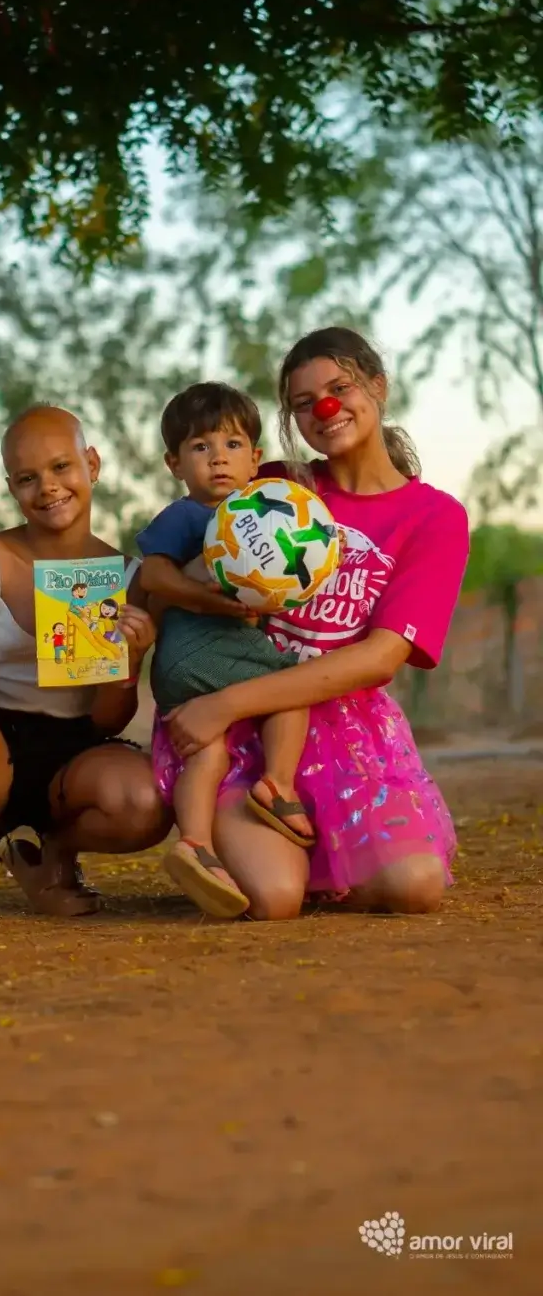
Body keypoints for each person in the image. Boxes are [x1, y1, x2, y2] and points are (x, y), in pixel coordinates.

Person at [158, 328, 470, 920]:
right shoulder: (271, 483)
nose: (324, 408)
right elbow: (175, 547)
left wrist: (223, 703)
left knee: (415, 886)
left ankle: (334, 857)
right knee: (273, 899)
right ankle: (258, 852)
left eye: (340, 387)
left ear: (378, 386)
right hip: (246, 731)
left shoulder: (434, 517)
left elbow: (381, 658)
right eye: (303, 403)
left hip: (344, 730)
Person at [0, 404, 169, 929]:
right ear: (11, 486)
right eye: (28, 478)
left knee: (145, 804)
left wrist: (129, 662)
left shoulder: (130, 577)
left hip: (77, 755)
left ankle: (52, 857)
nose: (48, 488)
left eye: (61, 468)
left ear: (92, 465)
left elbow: (105, 723)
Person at [138, 382, 313, 920]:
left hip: (189, 662)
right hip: (198, 643)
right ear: (175, 463)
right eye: (200, 447)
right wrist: (208, 601)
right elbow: (153, 574)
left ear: (256, 459)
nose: (218, 458)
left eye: (233, 445)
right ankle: (278, 787)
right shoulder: (188, 516)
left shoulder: (257, 512)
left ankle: (195, 846)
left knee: (207, 751)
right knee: (291, 687)